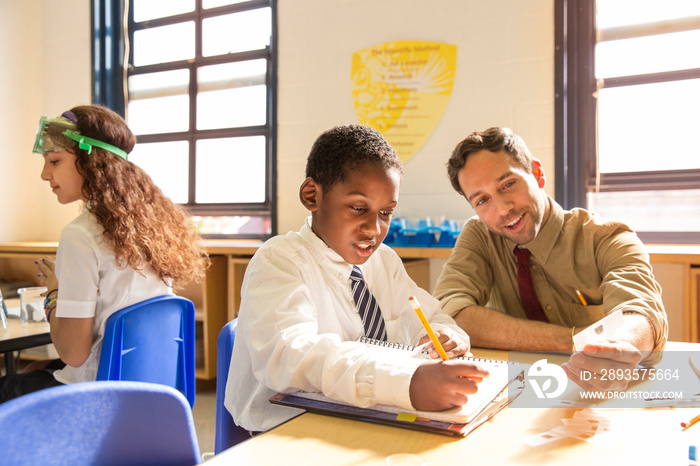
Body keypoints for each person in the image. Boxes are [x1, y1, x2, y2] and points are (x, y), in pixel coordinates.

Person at [225, 124, 488, 433]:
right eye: (358, 208)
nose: (374, 229)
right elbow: (291, 357)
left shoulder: (384, 261)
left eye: (386, 213)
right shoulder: (280, 261)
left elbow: (431, 316)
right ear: (312, 195)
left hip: (368, 418)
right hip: (289, 431)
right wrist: (405, 383)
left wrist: (447, 336)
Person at [433, 126, 668, 392]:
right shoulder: (479, 235)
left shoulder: (606, 237)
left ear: (537, 173)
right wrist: (575, 339)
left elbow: (641, 314)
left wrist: (619, 348)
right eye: (482, 200)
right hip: (513, 389)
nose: (502, 209)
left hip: (594, 390)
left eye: (508, 184)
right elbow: (450, 312)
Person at [0, 105, 209, 403]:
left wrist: (54, 293)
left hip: (97, 396)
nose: (45, 174)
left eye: (55, 161)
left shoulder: (80, 234)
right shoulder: (148, 226)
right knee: (36, 368)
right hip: (148, 390)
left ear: (91, 160)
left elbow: (72, 354)